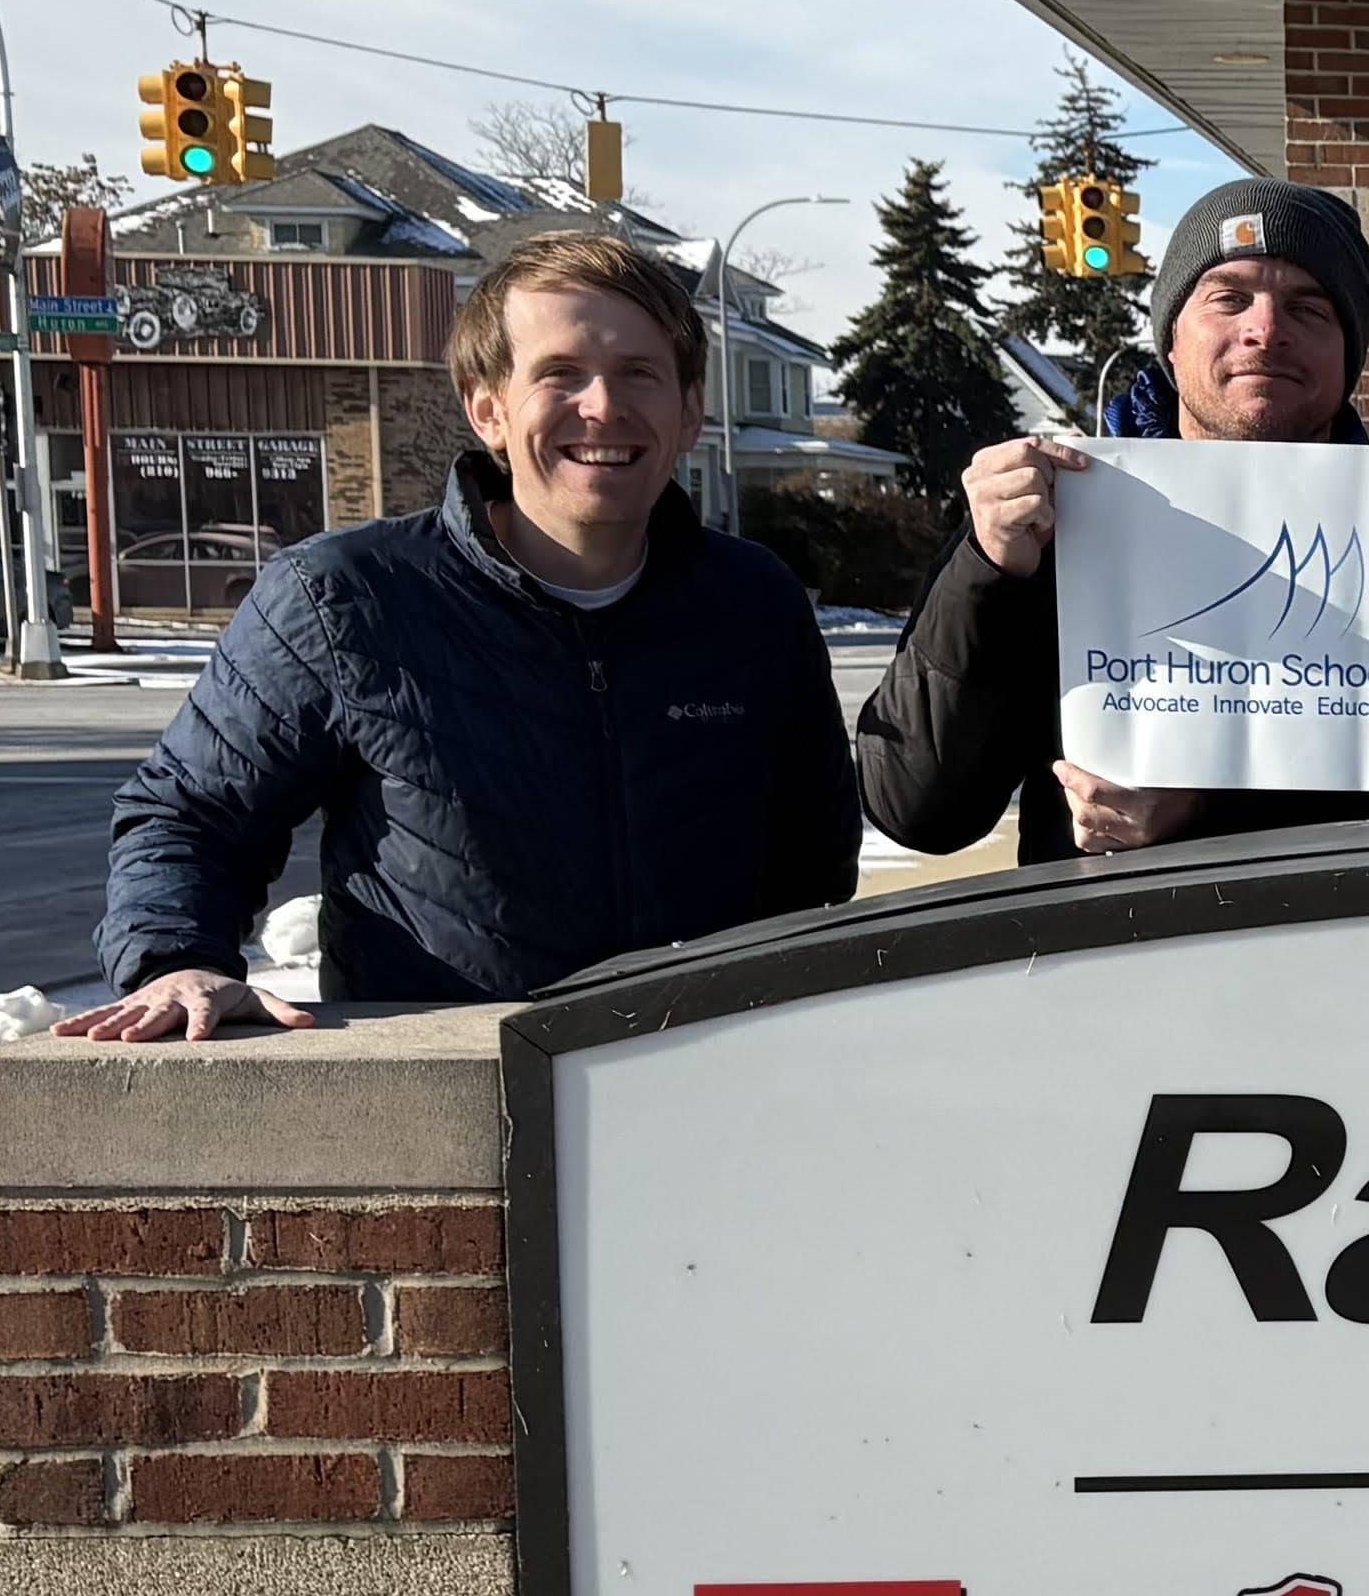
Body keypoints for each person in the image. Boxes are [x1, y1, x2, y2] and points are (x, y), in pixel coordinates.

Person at [66, 231, 856, 1039]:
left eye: (638, 373)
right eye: (560, 373)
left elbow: (813, 867)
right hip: (445, 1084)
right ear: (488, 409)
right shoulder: (345, 596)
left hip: (703, 1069)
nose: (602, 406)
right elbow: (191, 816)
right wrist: (177, 959)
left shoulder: (754, 604)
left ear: (690, 412)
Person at [854, 179, 1369, 863]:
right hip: (1103, 929)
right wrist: (987, 575)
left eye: (1307, 308)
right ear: (1172, 340)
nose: (1265, 329)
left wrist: (1207, 812)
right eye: (1229, 298)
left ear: (1349, 356)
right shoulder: (1050, 520)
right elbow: (917, 808)